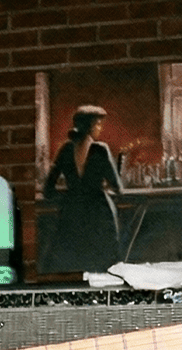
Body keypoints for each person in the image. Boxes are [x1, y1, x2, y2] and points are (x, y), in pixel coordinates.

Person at [39, 105, 124, 273]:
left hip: (71, 213)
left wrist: (68, 195)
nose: (100, 128)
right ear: (91, 126)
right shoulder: (101, 150)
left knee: (74, 263)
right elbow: (118, 188)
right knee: (103, 265)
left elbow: (47, 190)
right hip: (99, 215)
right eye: (98, 124)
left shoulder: (65, 149)